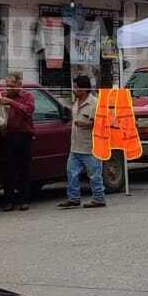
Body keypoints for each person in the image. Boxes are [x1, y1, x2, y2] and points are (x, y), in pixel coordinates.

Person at [0, 72, 36, 211]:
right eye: (7, 85)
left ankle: (23, 200)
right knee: (8, 170)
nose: (9, 88)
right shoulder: (2, 94)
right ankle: (9, 200)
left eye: (12, 85)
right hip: (8, 136)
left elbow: (28, 111)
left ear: (19, 84)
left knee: (24, 169)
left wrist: (11, 103)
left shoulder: (27, 96)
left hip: (24, 135)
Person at [60, 75, 107, 208]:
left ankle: (99, 198)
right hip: (75, 146)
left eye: (76, 87)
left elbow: (103, 123)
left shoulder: (95, 103)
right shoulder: (76, 103)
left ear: (84, 89)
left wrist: (87, 125)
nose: (73, 90)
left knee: (94, 175)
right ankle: (73, 198)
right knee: (71, 173)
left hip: (90, 146)